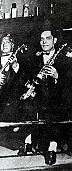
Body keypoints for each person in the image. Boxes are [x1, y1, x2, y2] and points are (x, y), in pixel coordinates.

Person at [19, 25, 69, 165]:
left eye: (48, 38)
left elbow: (68, 82)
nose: (44, 42)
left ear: (55, 40)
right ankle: (27, 142)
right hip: (38, 95)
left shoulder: (63, 59)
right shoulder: (35, 58)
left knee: (54, 110)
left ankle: (52, 148)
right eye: (42, 39)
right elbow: (27, 77)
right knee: (27, 105)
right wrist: (29, 86)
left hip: (56, 97)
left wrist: (56, 75)